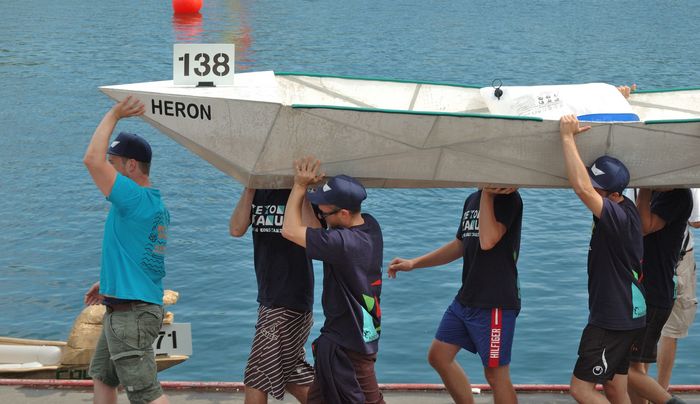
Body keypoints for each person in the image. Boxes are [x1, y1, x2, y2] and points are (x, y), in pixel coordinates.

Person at [389, 184, 522, 404]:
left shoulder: (509, 198)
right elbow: (461, 244)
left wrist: (488, 193)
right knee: (439, 356)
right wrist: (414, 263)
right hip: (466, 298)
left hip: (495, 302)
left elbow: (488, 240)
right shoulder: (473, 199)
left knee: (496, 375)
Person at [83, 96, 170, 404]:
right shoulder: (154, 203)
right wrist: (108, 283)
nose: (107, 168)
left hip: (130, 315)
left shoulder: (132, 198)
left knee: (145, 394)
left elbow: (91, 160)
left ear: (131, 166)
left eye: (113, 164)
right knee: (104, 376)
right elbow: (140, 256)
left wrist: (115, 114)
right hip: (127, 305)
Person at [281, 157, 384, 404]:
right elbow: (316, 229)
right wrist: (309, 193)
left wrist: (298, 186)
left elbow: (290, 230)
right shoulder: (369, 226)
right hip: (351, 335)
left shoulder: (343, 244)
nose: (323, 217)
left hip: (350, 345)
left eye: (326, 212)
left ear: (345, 213)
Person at [559, 115, 646, 404]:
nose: (590, 187)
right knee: (614, 388)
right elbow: (586, 185)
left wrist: (566, 137)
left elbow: (581, 189)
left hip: (612, 319)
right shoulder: (624, 206)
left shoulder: (617, 217)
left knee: (581, 389)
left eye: (597, 185)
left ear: (612, 194)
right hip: (628, 314)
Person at [229, 186, 318, 403]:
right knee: (290, 373)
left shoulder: (299, 191)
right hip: (269, 299)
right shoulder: (258, 191)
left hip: (289, 299)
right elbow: (236, 229)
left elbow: (316, 234)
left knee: (256, 375)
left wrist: (303, 189)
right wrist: (249, 188)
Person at [628, 187, 692, 404]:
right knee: (634, 367)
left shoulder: (677, 195)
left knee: (622, 366)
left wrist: (645, 185)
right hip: (643, 291)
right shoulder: (659, 193)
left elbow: (644, 226)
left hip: (654, 295)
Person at [657, 189, 699, 389]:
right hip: (678, 259)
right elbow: (696, 220)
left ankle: (638, 394)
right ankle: (660, 393)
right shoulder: (684, 173)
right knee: (670, 331)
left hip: (640, 256)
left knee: (638, 329)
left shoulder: (633, 171)